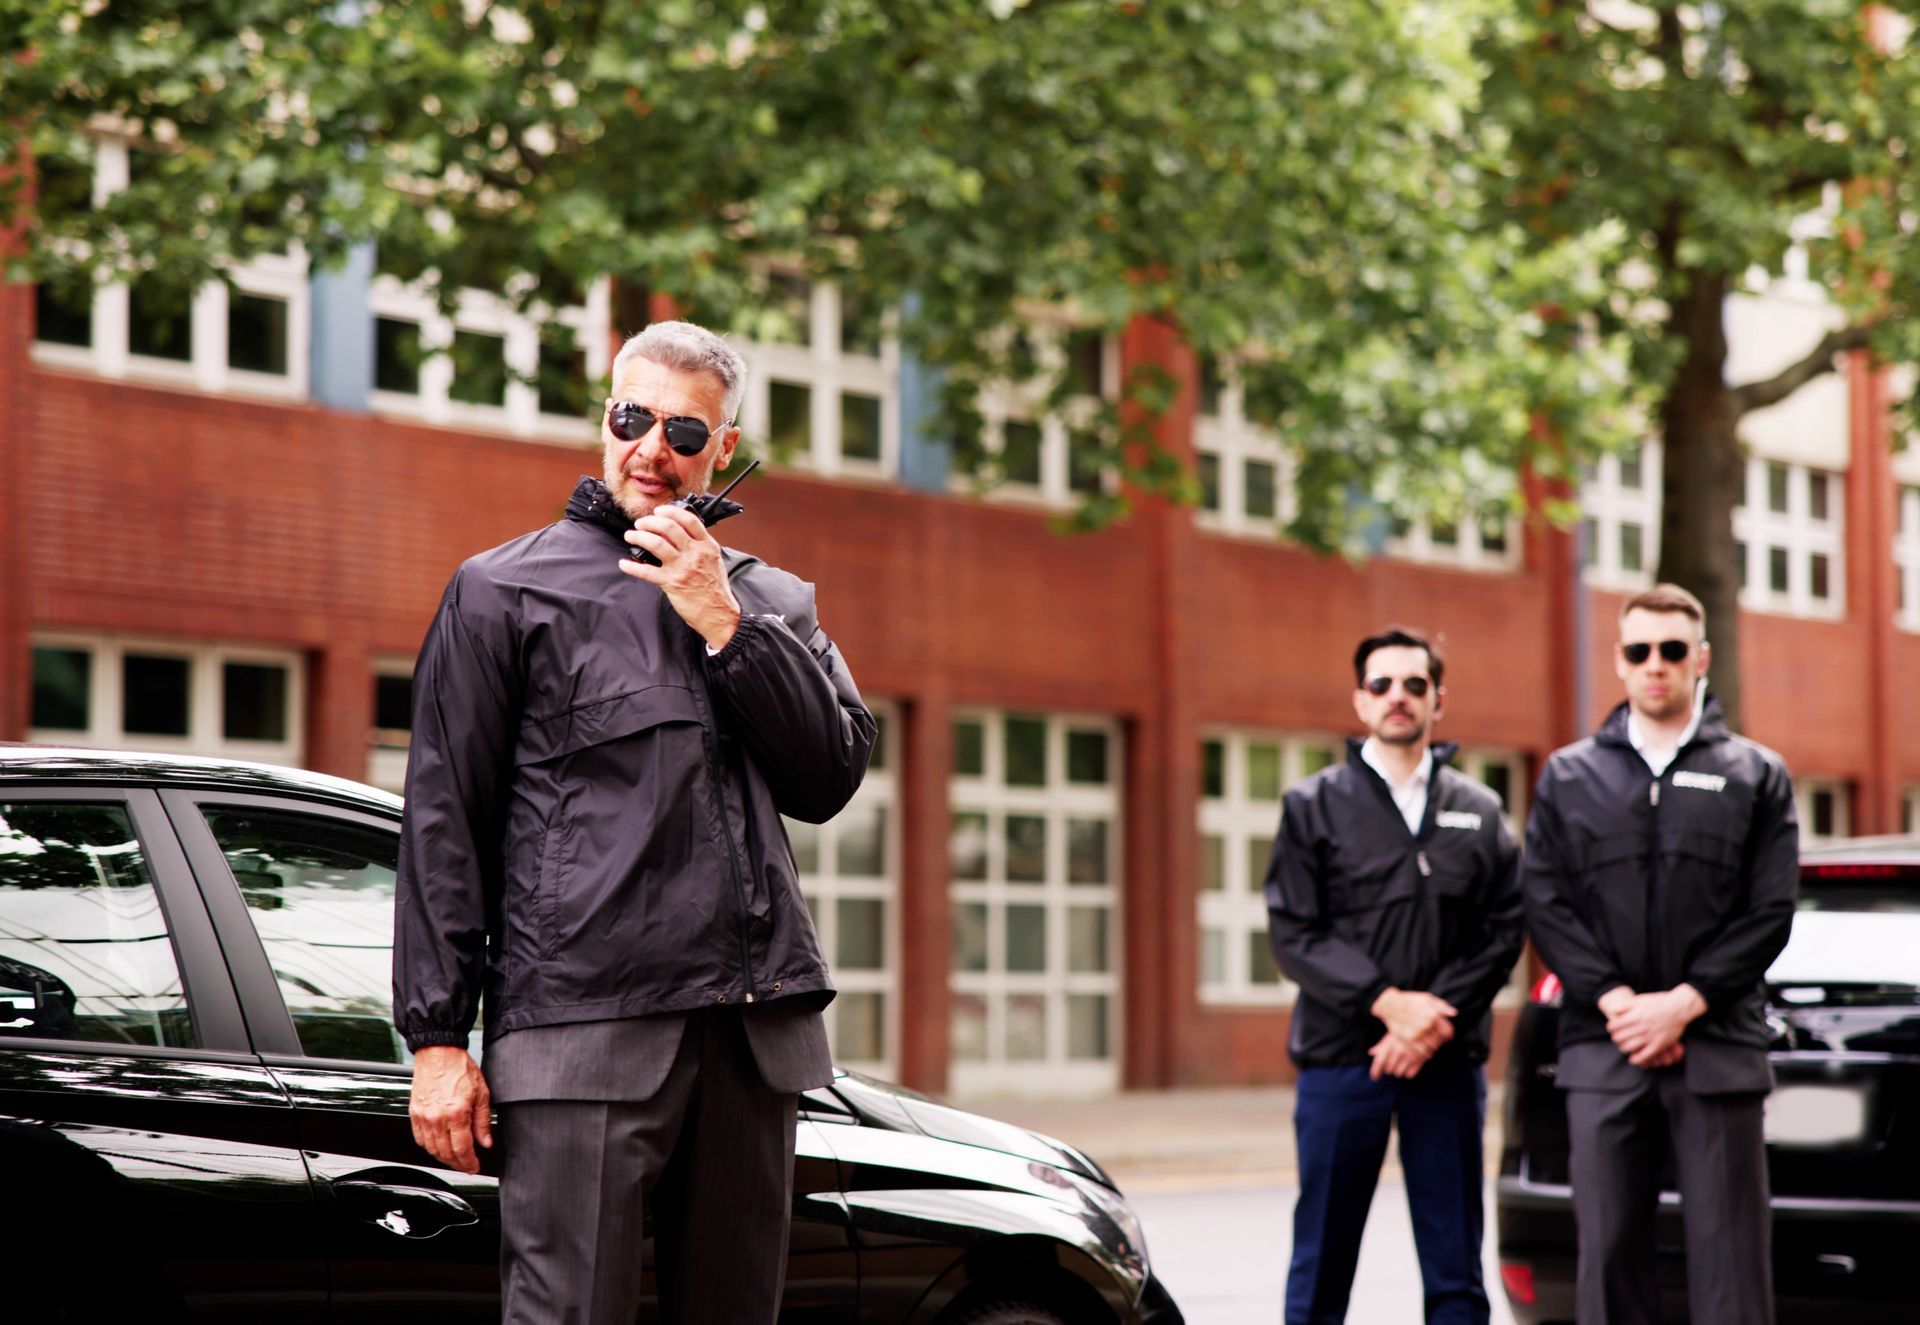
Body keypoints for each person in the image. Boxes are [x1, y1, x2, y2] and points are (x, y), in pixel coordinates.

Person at [392, 319, 875, 1325]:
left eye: (684, 431)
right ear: (601, 420)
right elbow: (446, 818)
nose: (653, 448)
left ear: (722, 450)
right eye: (631, 417)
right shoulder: (502, 590)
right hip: (582, 1029)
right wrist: (437, 1037)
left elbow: (827, 776)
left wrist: (726, 622)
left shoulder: (774, 601)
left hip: (749, 1041)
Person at [1523, 582, 1796, 1325]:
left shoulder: (1755, 774)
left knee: (1731, 1262)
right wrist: (1618, 1002)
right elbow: (1544, 902)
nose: (1656, 664)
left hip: (1716, 1048)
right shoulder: (1569, 775)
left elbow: (1769, 910)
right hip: (1605, 1049)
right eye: (1639, 650)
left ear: (1700, 659)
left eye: (1672, 650)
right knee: (1609, 1258)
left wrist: (1683, 1004)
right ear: (1618, 660)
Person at [1266, 626, 1524, 1325]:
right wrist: (1387, 1004)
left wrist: (1431, 1016)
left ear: (1439, 699)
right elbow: (1293, 933)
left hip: (1444, 1062)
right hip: (1341, 1064)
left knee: (1454, 1269)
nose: (1398, 697)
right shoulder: (1312, 806)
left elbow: (1503, 930)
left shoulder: (1481, 810)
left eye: (1414, 684)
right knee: (1321, 1261)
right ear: (1359, 699)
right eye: (1382, 684)